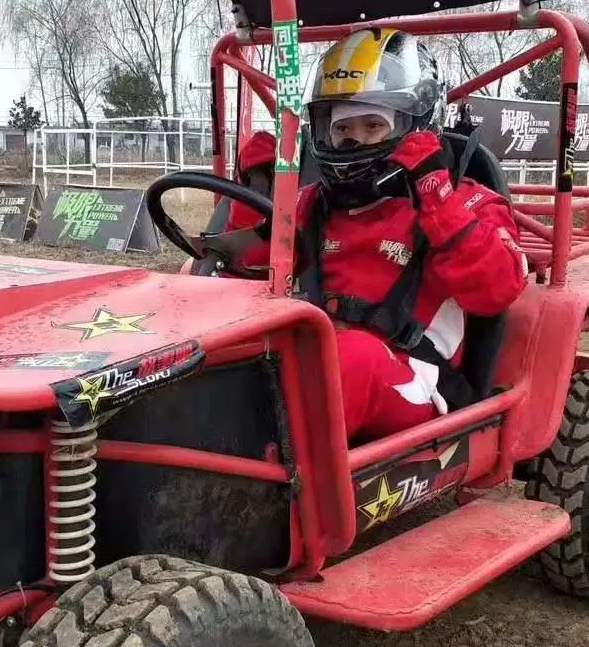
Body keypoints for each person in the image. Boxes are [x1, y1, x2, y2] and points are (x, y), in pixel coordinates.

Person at [222, 28, 529, 442]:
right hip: (319, 360)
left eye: (373, 126)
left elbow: (497, 289)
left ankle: (262, 491)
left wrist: (435, 197)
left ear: (416, 126)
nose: (354, 142)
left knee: (350, 360)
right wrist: (256, 190)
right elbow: (246, 272)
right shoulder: (314, 203)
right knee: (225, 352)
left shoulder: (467, 202)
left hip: (418, 375)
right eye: (343, 129)